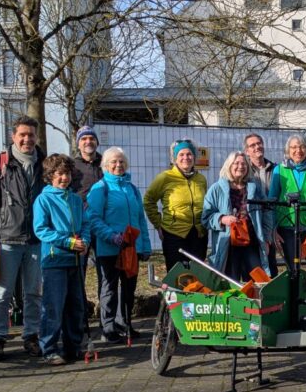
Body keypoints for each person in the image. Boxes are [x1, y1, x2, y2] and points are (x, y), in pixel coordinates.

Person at [0, 116, 45, 361]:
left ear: (37, 137)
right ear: (13, 137)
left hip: (36, 239)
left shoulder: (44, 163)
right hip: (7, 239)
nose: (27, 139)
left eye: (31, 135)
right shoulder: (0, 163)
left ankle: (31, 336)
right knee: (1, 293)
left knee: (33, 292)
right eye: (22, 135)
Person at [87, 147, 152, 343]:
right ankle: (108, 328)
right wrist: (112, 236)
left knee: (129, 288)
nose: (118, 165)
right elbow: (93, 218)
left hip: (131, 249)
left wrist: (145, 245)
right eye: (114, 162)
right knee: (109, 288)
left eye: (121, 161)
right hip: (109, 248)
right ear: (105, 166)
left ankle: (125, 324)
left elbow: (140, 218)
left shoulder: (132, 189)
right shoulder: (100, 188)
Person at [33, 154, 90, 365]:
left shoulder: (75, 199)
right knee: (53, 307)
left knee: (76, 306)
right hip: (54, 261)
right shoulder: (43, 199)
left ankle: (73, 346)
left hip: (75, 261)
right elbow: (41, 230)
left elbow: (85, 224)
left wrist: (84, 240)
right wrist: (67, 242)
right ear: (50, 176)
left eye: (66, 174)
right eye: (59, 174)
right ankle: (48, 349)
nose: (64, 178)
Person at [202, 152, 272, 281]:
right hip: (228, 244)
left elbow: (267, 211)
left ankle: (253, 302)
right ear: (229, 166)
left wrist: (267, 239)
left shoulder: (254, 188)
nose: (240, 166)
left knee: (257, 281)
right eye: (236, 163)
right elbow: (206, 217)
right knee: (231, 282)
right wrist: (222, 219)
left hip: (252, 242)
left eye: (244, 163)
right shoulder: (216, 189)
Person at [144, 139, 207, 271]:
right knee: (177, 276)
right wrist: (157, 224)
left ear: (194, 157)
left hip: (198, 235)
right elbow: (148, 200)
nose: (186, 158)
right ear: (175, 158)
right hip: (174, 234)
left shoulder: (201, 179)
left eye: (189, 154)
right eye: (181, 154)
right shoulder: (165, 177)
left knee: (197, 275)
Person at [268, 134, 306, 272]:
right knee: (292, 269)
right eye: (294, 147)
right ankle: (293, 293)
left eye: (302, 146)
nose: (298, 150)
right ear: (288, 150)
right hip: (286, 226)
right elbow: (271, 202)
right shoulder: (279, 170)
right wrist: (274, 228)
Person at [69, 125, 104, 312]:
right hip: (81, 225)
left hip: (104, 225)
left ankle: (105, 316)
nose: (88, 142)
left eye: (91, 138)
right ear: (79, 144)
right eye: (84, 139)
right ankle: (80, 314)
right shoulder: (72, 166)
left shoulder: (106, 162)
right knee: (78, 271)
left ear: (97, 142)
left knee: (105, 272)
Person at [244, 133, 278, 276]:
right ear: (247, 151)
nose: (257, 147)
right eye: (252, 145)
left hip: (273, 223)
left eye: (259, 143)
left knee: (271, 263)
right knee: (252, 268)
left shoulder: (275, 169)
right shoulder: (243, 169)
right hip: (253, 224)